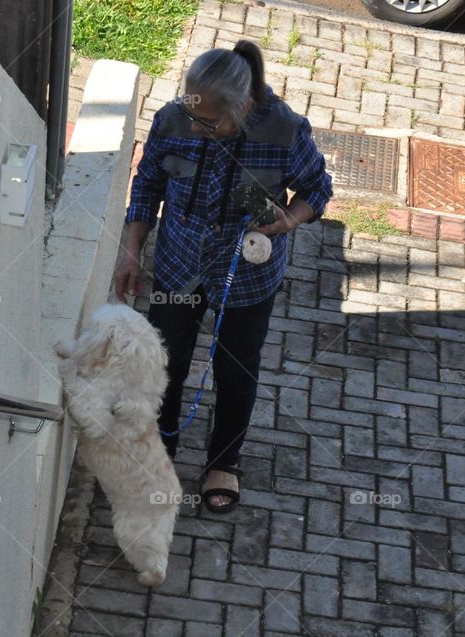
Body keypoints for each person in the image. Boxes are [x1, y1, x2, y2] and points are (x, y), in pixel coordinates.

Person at [115, 40, 333, 514]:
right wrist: (130, 252)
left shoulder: (285, 130)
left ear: (243, 108)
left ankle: (224, 462)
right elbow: (148, 184)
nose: (194, 126)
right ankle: (160, 450)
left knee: (235, 369)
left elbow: (317, 188)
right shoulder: (175, 119)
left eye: (209, 123)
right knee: (165, 361)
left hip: (247, 274)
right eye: (192, 111)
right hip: (179, 264)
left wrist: (289, 221)